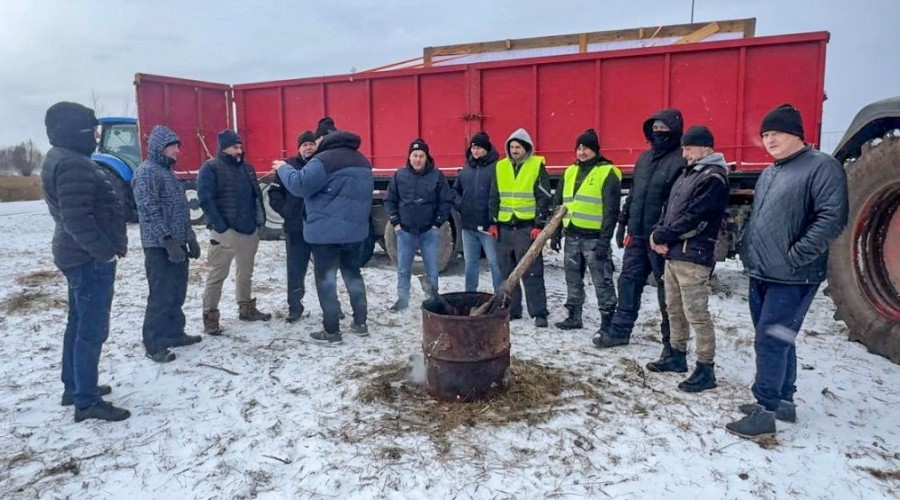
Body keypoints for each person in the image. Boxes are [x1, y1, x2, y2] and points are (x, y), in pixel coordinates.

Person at [726, 104, 848, 439]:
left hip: (793, 276)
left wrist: (796, 256)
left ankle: (764, 412)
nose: (769, 139)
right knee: (780, 339)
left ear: (796, 133)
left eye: (776, 133)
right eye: (765, 134)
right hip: (763, 273)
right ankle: (783, 401)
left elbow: (831, 219)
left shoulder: (822, 167)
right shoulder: (771, 172)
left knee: (770, 340)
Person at [41, 102, 130, 422]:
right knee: (91, 328)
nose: (95, 136)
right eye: (92, 130)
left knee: (78, 322)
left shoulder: (65, 158)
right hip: (87, 258)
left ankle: (75, 385)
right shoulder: (73, 165)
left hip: (76, 254)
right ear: (76, 131)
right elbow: (78, 219)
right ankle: (86, 400)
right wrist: (104, 251)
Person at [646, 125, 729, 393]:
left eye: (688, 148)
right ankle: (676, 355)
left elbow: (696, 217)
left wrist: (664, 236)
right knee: (674, 309)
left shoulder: (713, 177)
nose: (684, 154)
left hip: (693, 256)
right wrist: (657, 235)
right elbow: (669, 211)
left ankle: (706, 368)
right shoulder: (687, 174)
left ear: (706, 147)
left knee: (697, 314)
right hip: (674, 253)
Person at [593, 109, 686, 349]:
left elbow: (678, 202)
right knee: (628, 282)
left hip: (662, 239)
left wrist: (666, 233)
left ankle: (671, 342)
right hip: (637, 234)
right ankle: (619, 332)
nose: (658, 134)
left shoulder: (681, 160)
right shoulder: (644, 159)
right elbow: (634, 194)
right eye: (655, 129)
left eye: (664, 129)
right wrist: (623, 223)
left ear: (675, 131)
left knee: (668, 291)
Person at [274, 123, 373, 344]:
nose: (312, 145)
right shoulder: (362, 160)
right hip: (354, 232)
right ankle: (360, 322)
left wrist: (283, 167)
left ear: (323, 140)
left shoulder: (324, 160)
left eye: (315, 141)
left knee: (326, 280)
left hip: (325, 234)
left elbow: (299, 185)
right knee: (353, 275)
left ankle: (331, 331)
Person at [133, 125, 202, 363]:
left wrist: (189, 237)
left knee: (176, 292)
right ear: (159, 148)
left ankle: (174, 332)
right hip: (159, 246)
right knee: (160, 295)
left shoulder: (168, 173)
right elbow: (149, 210)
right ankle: (154, 342)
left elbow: (180, 210)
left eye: (177, 147)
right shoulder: (147, 172)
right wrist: (167, 240)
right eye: (173, 147)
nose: (177, 152)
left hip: (177, 242)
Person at [198, 129, 271, 335]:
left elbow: (256, 195)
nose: (239, 150)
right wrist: (221, 226)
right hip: (225, 233)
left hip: (249, 230)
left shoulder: (247, 167)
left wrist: (259, 222)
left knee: (245, 273)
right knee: (218, 275)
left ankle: (246, 308)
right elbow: (205, 198)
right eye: (234, 146)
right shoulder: (210, 168)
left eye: (240, 146)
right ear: (223, 148)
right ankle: (210, 316)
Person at [552, 128, 621, 330]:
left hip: (594, 238)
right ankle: (574, 316)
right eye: (579, 148)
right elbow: (559, 206)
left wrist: (604, 242)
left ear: (595, 150)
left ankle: (608, 321)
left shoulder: (607, 172)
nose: (582, 152)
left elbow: (611, 212)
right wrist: (556, 234)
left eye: (586, 148)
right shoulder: (570, 171)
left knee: (602, 281)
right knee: (573, 279)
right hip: (572, 235)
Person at [488, 128, 552, 327]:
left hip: (526, 228)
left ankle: (539, 313)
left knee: (532, 272)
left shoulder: (536, 166)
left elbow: (544, 197)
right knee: (507, 272)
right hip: (505, 228)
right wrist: (493, 222)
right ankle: (512, 310)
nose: (514, 150)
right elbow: (494, 197)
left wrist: (539, 225)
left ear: (527, 149)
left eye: (518, 147)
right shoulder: (500, 167)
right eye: (512, 147)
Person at [385, 139, 454, 311]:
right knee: (403, 269)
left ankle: (432, 301)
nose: (417, 159)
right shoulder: (399, 176)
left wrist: (437, 223)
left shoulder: (437, 175)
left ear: (426, 157)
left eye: (421, 156)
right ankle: (402, 300)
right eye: (414, 155)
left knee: (432, 269)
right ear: (409, 157)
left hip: (428, 232)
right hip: (405, 232)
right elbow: (390, 200)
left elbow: (445, 200)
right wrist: (395, 223)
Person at [268, 130, 316, 322]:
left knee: (325, 271)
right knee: (295, 270)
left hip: (319, 228)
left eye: (311, 144)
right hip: (295, 228)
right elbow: (274, 195)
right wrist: (287, 211)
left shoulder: (321, 165)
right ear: (299, 148)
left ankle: (331, 307)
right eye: (305, 144)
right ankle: (295, 307)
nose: (309, 147)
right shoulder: (288, 166)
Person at [453, 132, 503, 293]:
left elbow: (501, 195)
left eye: (479, 148)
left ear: (486, 149)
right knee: (470, 262)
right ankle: (470, 294)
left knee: (495, 262)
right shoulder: (466, 168)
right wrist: (461, 205)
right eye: (473, 147)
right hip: (468, 226)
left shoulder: (497, 168)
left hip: (488, 226)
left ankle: (500, 296)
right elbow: (455, 191)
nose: (475, 151)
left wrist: (494, 219)